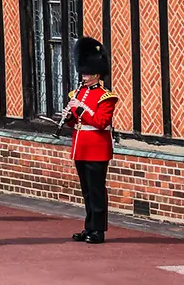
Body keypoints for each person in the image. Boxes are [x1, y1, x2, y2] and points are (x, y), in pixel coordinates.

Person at [65, 37, 117, 244]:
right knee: (86, 191)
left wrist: (79, 110)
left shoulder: (106, 97)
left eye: (86, 73)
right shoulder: (78, 92)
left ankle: (98, 230)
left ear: (96, 74)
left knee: (96, 190)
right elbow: (75, 123)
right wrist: (69, 117)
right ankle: (89, 227)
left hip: (96, 148)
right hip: (81, 146)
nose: (83, 76)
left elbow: (101, 122)